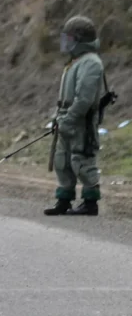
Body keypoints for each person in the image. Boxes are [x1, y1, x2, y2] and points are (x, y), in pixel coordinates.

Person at [44, 15, 106, 217]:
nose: (66, 43)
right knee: (62, 161)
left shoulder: (91, 63)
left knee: (82, 159)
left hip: (81, 121)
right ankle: (64, 200)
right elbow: (66, 97)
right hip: (66, 119)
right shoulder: (75, 62)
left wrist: (69, 118)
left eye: (69, 39)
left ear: (80, 40)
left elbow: (84, 99)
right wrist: (58, 117)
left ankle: (90, 202)